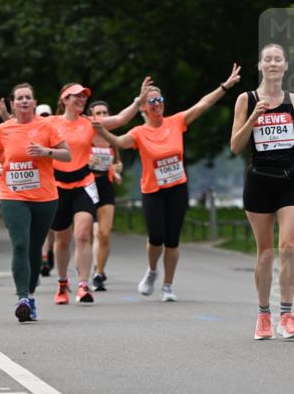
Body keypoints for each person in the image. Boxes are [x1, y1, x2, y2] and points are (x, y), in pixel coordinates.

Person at [95, 68, 241, 301]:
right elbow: (120, 143)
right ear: (143, 108)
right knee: (156, 237)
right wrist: (103, 131)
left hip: (177, 188)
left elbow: (202, 105)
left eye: (159, 99)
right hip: (153, 191)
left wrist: (224, 86)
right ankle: (152, 271)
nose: (157, 104)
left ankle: (167, 286)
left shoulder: (176, 122)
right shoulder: (139, 132)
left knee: (172, 239)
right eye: (151, 101)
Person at [230, 44, 294, 339]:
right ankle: (263, 316)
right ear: (260, 65)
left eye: (278, 59)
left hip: (291, 178)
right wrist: (253, 117)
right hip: (259, 181)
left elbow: (291, 146)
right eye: (268, 59)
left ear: (286, 65)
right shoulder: (247, 99)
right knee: (265, 253)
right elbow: (236, 146)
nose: (273, 63)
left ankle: (287, 315)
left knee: (288, 246)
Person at [51, 78, 152, 305]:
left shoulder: (89, 122)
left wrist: (138, 101)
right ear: (64, 99)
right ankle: (62, 282)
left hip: (84, 185)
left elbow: (119, 119)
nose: (81, 99)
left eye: (84, 96)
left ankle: (84, 285)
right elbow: (25, 129)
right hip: (58, 187)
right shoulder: (51, 123)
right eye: (77, 95)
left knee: (83, 234)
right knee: (62, 241)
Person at [0, 82, 71, 322]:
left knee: (35, 248)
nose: (24, 101)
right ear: (12, 104)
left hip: (45, 197)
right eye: (19, 98)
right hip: (13, 195)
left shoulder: (47, 126)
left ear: (34, 103)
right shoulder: (4, 129)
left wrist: (46, 152)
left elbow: (67, 155)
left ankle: (31, 296)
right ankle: (22, 297)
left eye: (28, 98)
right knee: (20, 245)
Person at [88, 100, 123, 291]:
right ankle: (90, 269)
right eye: (97, 113)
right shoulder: (86, 137)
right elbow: (72, 160)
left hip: (105, 186)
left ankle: (99, 273)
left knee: (104, 233)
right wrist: (86, 160)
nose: (101, 116)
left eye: (104, 113)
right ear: (91, 117)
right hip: (86, 185)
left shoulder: (111, 138)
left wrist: (117, 169)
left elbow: (117, 163)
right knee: (89, 233)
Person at [35, 103, 56, 276]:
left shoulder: (55, 133)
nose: (44, 119)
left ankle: (49, 251)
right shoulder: (30, 133)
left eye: (46, 115)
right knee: (39, 226)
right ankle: (42, 257)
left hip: (55, 185)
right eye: (41, 115)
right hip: (37, 186)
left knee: (51, 227)